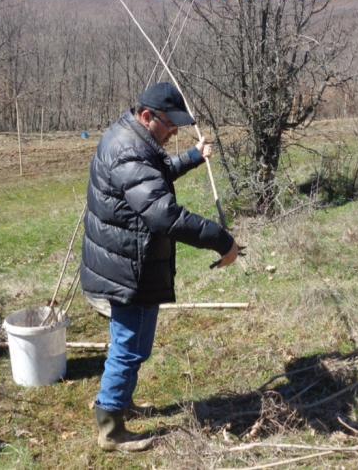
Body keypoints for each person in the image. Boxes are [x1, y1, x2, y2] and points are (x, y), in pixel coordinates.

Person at [81, 82, 240, 452]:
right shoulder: (129, 150)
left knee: (130, 343)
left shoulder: (133, 139)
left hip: (125, 259)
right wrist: (222, 240)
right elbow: (163, 214)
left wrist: (192, 157)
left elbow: (154, 174)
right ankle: (110, 430)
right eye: (170, 125)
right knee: (131, 345)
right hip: (127, 269)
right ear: (147, 116)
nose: (175, 132)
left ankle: (119, 401)